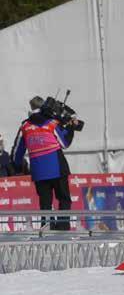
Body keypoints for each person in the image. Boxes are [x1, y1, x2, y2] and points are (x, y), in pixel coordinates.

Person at [11, 96, 78, 230]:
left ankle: (47, 229)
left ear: (31, 108)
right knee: (63, 198)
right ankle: (63, 228)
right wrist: (70, 128)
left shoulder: (25, 126)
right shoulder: (52, 123)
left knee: (45, 203)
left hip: (38, 170)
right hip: (57, 167)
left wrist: (17, 167)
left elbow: (17, 153)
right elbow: (64, 143)